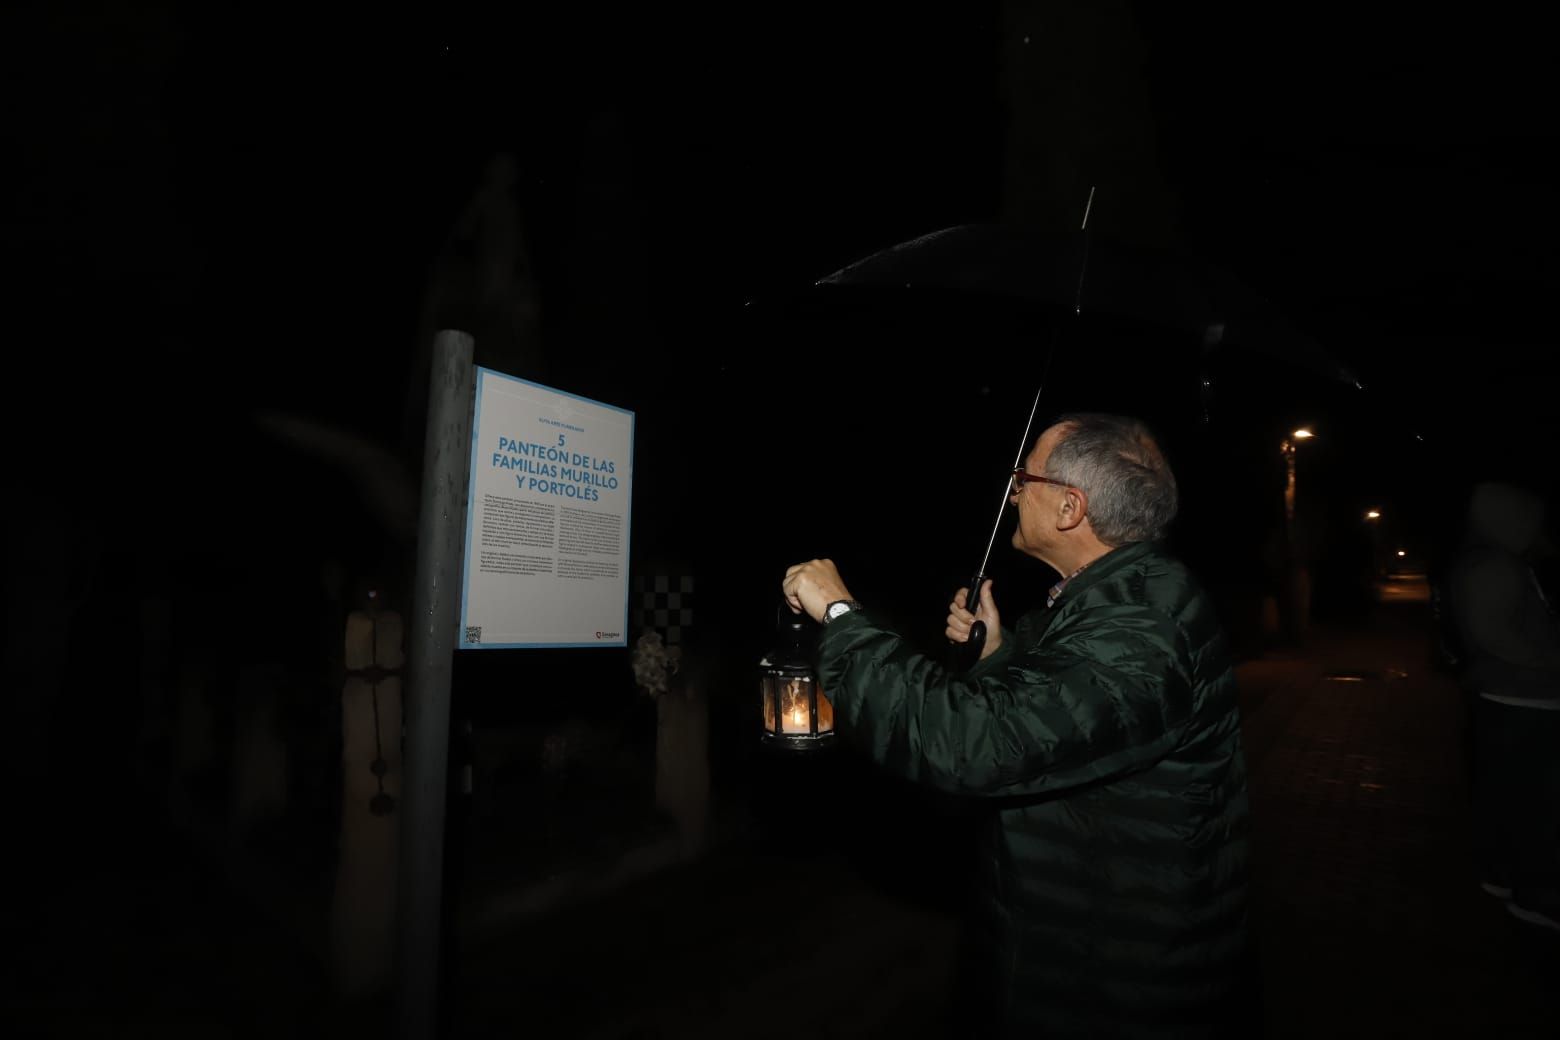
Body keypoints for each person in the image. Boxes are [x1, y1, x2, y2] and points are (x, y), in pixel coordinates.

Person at [783, 413, 1251, 1039]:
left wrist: (841, 615)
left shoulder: (1142, 629)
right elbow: (1055, 724)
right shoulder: (1114, 597)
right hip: (1075, 955)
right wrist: (998, 650)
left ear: (1068, 506)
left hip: (1112, 986)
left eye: (1022, 476)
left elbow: (967, 744)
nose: (1012, 491)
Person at [1446, 481, 1560, 931]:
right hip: (1523, 700)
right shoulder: (1494, 566)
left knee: (1510, 797)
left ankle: (1502, 875)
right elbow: (1496, 634)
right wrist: (1551, 658)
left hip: (1511, 697)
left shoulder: (1493, 561)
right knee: (1538, 806)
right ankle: (1538, 894)